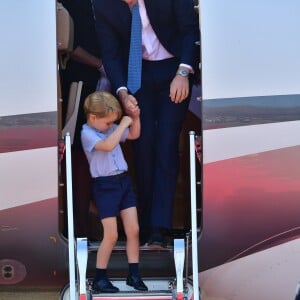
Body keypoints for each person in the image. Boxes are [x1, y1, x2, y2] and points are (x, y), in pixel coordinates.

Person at [92, 0, 200, 246]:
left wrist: (183, 72)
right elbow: (110, 53)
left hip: (173, 68)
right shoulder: (103, 4)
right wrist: (122, 92)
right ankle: (146, 225)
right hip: (136, 73)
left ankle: (160, 227)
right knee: (142, 144)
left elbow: (189, 30)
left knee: (166, 143)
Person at [81, 91, 148, 293]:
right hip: (105, 186)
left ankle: (134, 274)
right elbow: (109, 145)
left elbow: (134, 134)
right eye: (107, 123)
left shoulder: (110, 128)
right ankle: (100, 278)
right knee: (111, 234)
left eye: (112, 123)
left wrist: (134, 118)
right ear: (93, 117)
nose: (110, 126)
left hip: (123, 182)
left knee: (133, 230)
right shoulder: (88, 133)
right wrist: (121, 125)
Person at [59, 0, 109, 238]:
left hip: (109, 83)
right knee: (78, 154)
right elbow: (67, 43)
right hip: (77, 84)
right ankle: (77, 225)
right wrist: (101, 65)